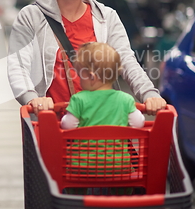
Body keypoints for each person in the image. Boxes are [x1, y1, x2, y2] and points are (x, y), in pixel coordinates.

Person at [8, 0, 166, 115]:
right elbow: (18, 65)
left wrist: (149, 94)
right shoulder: (31, 16)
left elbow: (127, 61)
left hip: (100, 122)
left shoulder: (106, 17)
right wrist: (31, 97)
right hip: (52, 123)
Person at [60, 42, 144, 195]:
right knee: (123, 188)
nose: (79, 80)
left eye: (80, 75)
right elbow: (138, 124)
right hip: (118, 167)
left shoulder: (79, 99)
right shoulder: (125, 99)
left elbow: (68, 126)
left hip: (82, 167)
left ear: (91, 77)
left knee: (71, 188)